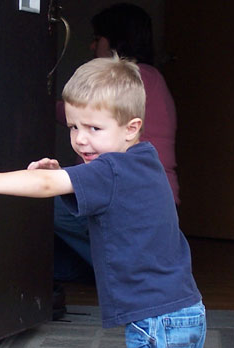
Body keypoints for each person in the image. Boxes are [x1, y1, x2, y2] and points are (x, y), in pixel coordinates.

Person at [0, 56, 234, 348]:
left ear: (131, 128)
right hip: (178, 314)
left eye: (94, 128)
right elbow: (76, 185)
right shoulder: (144, 161)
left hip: (156, 322)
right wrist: (60, 176)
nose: (80, 139)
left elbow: (42, 186)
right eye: (73, 126)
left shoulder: (111, 171)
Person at [33, 3, 179, 288]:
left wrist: (32, 99)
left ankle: (116, 270)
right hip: (157, 205)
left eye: (97, 38)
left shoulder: (130, 82)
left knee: (42, 203)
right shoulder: (154, 78)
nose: (90, 45)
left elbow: (69, 112)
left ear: (115, 41)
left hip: (128, 206)